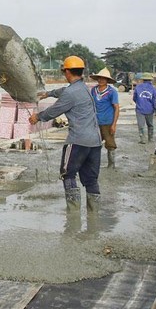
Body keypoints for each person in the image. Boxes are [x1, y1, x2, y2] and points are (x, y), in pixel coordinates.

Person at [29, 56, 102, 212]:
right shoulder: (83, 88)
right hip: (95, 142)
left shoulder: (70, 93)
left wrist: (37, 117)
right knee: (91, 179)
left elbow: (54, 111)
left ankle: (73, 214)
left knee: (67, 174)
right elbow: (64, 91)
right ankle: (94, 214)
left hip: (77, 142)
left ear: (67, 72)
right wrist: (48, 93)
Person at [89, 68, 119, 168]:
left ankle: (111, 164)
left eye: (103, 79)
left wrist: (114, 124)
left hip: (108, 122)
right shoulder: (93, 90)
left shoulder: (112, 92)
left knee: (110, 144)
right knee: (94, 143)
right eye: (99, 78)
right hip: (95, 122)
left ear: (107, 80)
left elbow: (116, 108)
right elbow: (90, 105)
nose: (101, 80)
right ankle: (94, 163)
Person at [133, 72, 156, 144]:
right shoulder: (154, 89)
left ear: (143, 79)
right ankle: (150, 139)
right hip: (150, 110)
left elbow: (134, 98)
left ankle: (142, 139)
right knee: (150, 125)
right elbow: (154, 101)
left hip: (140, 109)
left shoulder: (138, 87)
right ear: (151, 80)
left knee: (141, 125)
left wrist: (139, 103)